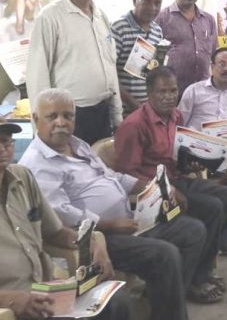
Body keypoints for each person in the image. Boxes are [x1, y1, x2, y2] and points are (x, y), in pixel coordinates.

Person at [19, 88, 208, 316]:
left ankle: (160, 300)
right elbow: (61, 216)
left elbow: (113, 177)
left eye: (68, 116)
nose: (61, 122)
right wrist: (108, 225)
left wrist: (159, 187)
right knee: (164, 254)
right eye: (52, 116)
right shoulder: (37, 165)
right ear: (35, 119)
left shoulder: (78, 145)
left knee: (192, 230)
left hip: (130, 220)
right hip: (97, 237)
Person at [114, 67, 227, 302]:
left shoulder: (175, 115)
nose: (169, 96)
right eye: (162, 91)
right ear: (149, 94)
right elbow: (124, 175)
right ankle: (190, 282)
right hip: (151, 193)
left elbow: (176, 154)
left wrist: (194, 161)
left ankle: (201, 271)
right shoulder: (135, 125)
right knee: (212, 207)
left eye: (173, 90)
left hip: (174, 179)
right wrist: (164, 189)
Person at [0, 119, 131, 320]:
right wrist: (11, 300)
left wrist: (93, 244)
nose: (2, 149)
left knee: (116, 303)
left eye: (6, 142)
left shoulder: (22, 177)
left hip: (44, 292)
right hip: (10, 308)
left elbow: (56, 232)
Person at [26, 0, 122, 144]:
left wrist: (117, 115)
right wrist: (42, 127)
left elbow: (109, 67)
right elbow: (37, 74)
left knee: (98, 169)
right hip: (68, 117)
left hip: (102, 114)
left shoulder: (101, 16)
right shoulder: (50, 17)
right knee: (69, 171)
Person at [179, 47, 227, 249]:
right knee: (193, 181)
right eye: (221, 64)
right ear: (211, 67)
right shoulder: (194, 91)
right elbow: (179, 127)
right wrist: (196, 144)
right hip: (200, 154)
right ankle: (216, 230)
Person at [155, 0, 217, 95]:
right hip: (172, 92)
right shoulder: (162, 18)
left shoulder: (208, 20)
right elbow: (152, 58)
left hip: (203, 91)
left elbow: (215, 54)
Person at [111, 0, 165, 117]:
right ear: (135, 0)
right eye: (147, 1)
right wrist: (133, 104)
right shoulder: (118, 28)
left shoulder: (157, 31)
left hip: (149, 111)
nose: (152, 8)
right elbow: (109, 74)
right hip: (124, 112)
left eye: (157, 3)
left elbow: (153, 70)